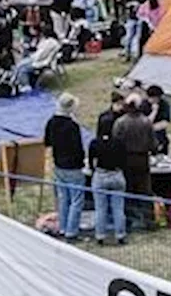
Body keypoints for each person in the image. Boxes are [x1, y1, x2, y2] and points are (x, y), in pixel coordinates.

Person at [44, 93, 86, 241]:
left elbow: (47, 142)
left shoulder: (51, 122)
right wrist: (82, 162)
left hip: (58, 164)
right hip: (73, 166)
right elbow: (78, 147)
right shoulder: (72, 126)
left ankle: (62, 227)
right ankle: (72, 231)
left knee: (63, 198)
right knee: (76, 199)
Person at [112, 96, 156, 222]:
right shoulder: (146, 122)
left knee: (128, 190)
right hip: (142, 159)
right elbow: (153, 144)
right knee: (145, 190)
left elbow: (115, 143)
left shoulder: (120, 122)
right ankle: (148, 219)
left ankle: (129, 219)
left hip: (126, 159)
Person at [88, 117, 128, 246]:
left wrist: (94, 170)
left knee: (100, 208)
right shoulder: (119, 143)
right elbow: (124, 161)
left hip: (101, 175)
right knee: (118, 208)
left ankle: (100, 235)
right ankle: (120, 235)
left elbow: (91, 162)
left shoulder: (94, 143)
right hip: (116, 175)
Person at [148, 85, 171, 155]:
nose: (157, 100)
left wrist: (152, 128)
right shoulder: (144, 105)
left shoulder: (164, 104)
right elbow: (145, 123)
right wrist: (154, 111)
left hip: (160, 136)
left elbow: (165, 122)